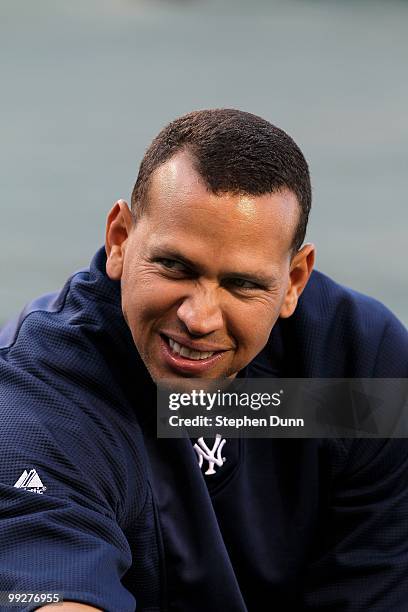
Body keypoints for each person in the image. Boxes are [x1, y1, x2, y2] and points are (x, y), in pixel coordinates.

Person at [0, 108, 407, 612]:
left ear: (294, 282)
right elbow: (50, 592)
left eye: (243, 284)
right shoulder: (42, 405)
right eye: (174, 266)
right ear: (120, 239)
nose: (199, 318)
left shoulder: (357, 366)